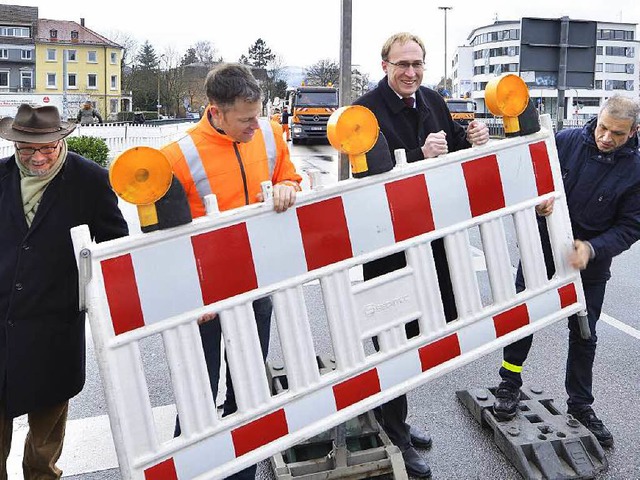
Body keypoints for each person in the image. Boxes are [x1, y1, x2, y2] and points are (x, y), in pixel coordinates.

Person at [354, 32, 489, 478]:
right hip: (388, 242)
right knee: (394, 336)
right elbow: (367, 172)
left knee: (428, 325)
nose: (410, 72)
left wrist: (472, 136)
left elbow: (451, 143)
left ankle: (396, 421)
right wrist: (416, 155)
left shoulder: (432, 98)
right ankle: (394, 431)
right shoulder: (365, 111)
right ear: (385, 65)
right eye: (401, 65)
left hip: (432, 236)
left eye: (417, 64)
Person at [161, 63, 301, 479]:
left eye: (257, 116)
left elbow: (290, 176)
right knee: (198, 393)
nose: (254, 126)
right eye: (245, 119)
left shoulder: (271, 136)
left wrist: (289, 187)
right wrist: (188, 294)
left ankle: (242, 472)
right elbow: (165, 239)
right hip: (203, 293)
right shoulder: (178, 156)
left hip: (255, 284)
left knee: (248, 386)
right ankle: (194, 469)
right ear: (216, 111)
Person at [492, 96, 640, 447]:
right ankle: (509, 384)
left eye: (617, 134)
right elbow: (527, 180)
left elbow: (631, 226)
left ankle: (580, 405)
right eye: (603, 127)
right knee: (523, 318)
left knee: (584, 334)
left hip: (590, 262)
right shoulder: (566, 141)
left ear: (634, 132)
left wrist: (592, 249)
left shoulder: (635, 171)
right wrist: (537, 200)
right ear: (597, 118)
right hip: (540, 250)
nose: (606, 137)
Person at [0, 104, 128, 479]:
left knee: (43, 453)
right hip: (1, 323)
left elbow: (114, 248)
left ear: (60, 141)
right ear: (15, 144)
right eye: (27, 149)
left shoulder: (89, 180)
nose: (38, 157)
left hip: (53, 330)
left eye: (47, 148)